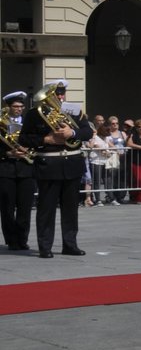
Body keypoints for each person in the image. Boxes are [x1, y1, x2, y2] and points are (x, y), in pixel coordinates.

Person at [20, 80, 91, 258]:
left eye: (61, 94)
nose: (59, 97)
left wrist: (72, 133)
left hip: (72, 164)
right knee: (46, 209)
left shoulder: (74, 111)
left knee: (71, 209)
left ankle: (70, 244)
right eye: (55, 94)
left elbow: (87, 132)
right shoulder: (34, 114)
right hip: (49, 165)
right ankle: (45, 246)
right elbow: (24, 139)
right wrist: (46, 140)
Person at [1, 90, 34, 250]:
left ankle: (22, 239)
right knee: (7, 208)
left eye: (21, 106)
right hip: (6, 169)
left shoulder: (28, 123)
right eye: (15, 106)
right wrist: (8, 152)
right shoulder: (1, 124)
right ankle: (11, 240)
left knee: (25, 207)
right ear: (8, 107)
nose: (19, 109)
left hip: (26, 169)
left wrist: (28, 149)